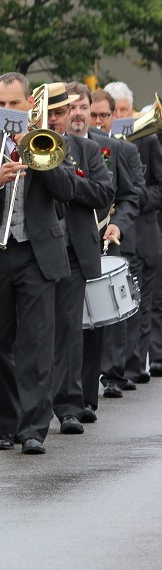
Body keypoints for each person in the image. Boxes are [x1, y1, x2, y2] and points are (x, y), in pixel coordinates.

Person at [0, 72, 77, 455]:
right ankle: (5, 421)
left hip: (36, 255)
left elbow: (68, 191)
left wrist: (37, 156)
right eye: (1, 105)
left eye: (15, 104)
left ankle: (34, 428)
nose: (8, 110)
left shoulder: (52, 143)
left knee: (38, 345)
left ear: (29, 107)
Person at [42, 83, 112, 436]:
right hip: (35, 251)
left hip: (71, 252)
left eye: (60, 112)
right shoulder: (28, 146)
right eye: (49, 113)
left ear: (70, 113)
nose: (55, 119)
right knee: (35, 332)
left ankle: (69, 405)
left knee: (69, 331)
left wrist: (67, 180)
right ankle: (29, 409)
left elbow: (104, 192)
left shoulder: (86, 150)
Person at [80, 87, 142, 410]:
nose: (99, 120)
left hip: (108, 236)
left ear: (113, 116)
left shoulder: (115, 149)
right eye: (94, 115)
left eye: (104, 115)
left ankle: (110, 375)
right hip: (73, 240)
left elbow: (133, 196)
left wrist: (119, 223)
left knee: (105, 313)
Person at [103, 82, 162, 387]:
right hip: (114, 235)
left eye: (125, 110)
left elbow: (158, 189)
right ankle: (118, 367)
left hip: (143, 235)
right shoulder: (101, 143)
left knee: (140, 304)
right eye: (118, 111)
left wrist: (131, 200)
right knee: (115, 305)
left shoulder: (148, 141)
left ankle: (134, 366)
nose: (122, 116)